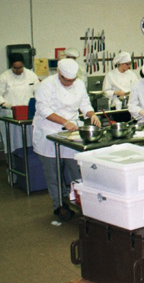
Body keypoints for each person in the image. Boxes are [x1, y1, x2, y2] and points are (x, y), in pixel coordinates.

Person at [32, 59, 101, 222]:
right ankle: (58, 206)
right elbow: (43, 109)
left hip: (72, 131)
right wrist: (64, 122)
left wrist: (92, 114)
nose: (70, 83)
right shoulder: (47, 85)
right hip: (49, 130)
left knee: (75, 169)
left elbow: (85, 103)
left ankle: (79, 201)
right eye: (66, 80)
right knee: (53, 173)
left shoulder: (79, 84)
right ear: (59, 74)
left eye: (72, 80)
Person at [0, 53, 40, 153]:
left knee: (29, 139)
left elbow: (39, 91)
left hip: (27, 113)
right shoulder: (4, 76)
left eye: (20, 67)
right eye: (15, 68)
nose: (18, 70)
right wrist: (4, 103)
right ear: (11, 66)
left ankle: (30, 162)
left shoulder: (31, 75)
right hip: (11, 114)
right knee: (12, 140)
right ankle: (12, 162)